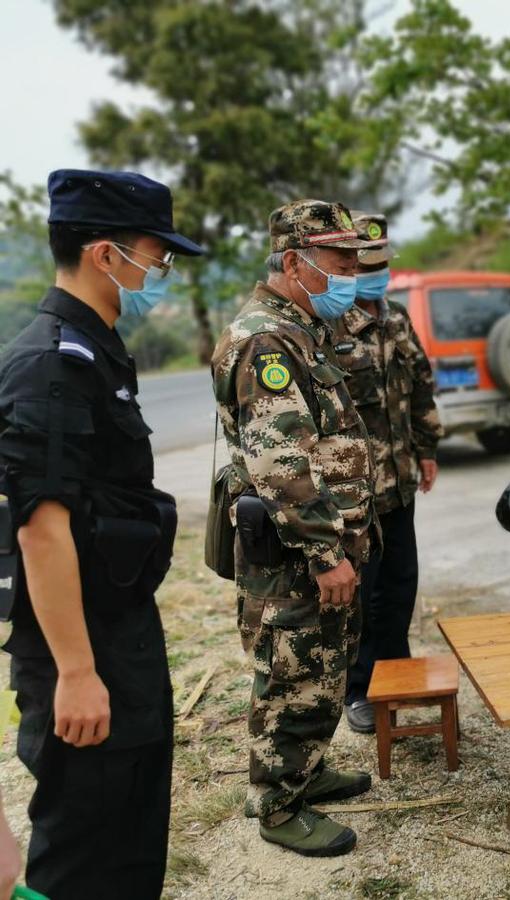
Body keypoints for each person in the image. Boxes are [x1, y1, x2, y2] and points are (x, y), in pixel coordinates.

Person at [0, 169, 203, 897]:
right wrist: (78, 675)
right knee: (84, 851)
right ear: (104, 254)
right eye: (157, 255)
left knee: (128, 840)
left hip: (120, 635)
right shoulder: (51, 364)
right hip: (81, 655)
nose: (162, 273)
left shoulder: (96, 351)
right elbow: (41, 532)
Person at [211, 199, 380, 857]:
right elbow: (280, 462)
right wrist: (323, 549)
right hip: (292, 553)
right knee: (291, 672)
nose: (351, 278)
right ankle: (279, 806)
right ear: (294, 264)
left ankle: (305, 771)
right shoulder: (266, 341)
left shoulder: (302, 328)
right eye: (339, 265)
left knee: (321, 667)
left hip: (318, 543)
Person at [335, 211, 443, 734]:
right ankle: (358, 689)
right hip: (356, 492)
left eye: (382, 264)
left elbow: (421, 383)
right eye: (365, 264)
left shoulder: (397, 317)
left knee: (401, 584)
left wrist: (427, 448)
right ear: (348, 264)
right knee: (363, 592)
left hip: (399, 483)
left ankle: (395, 677)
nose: (375, 274)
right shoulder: (329, 324)